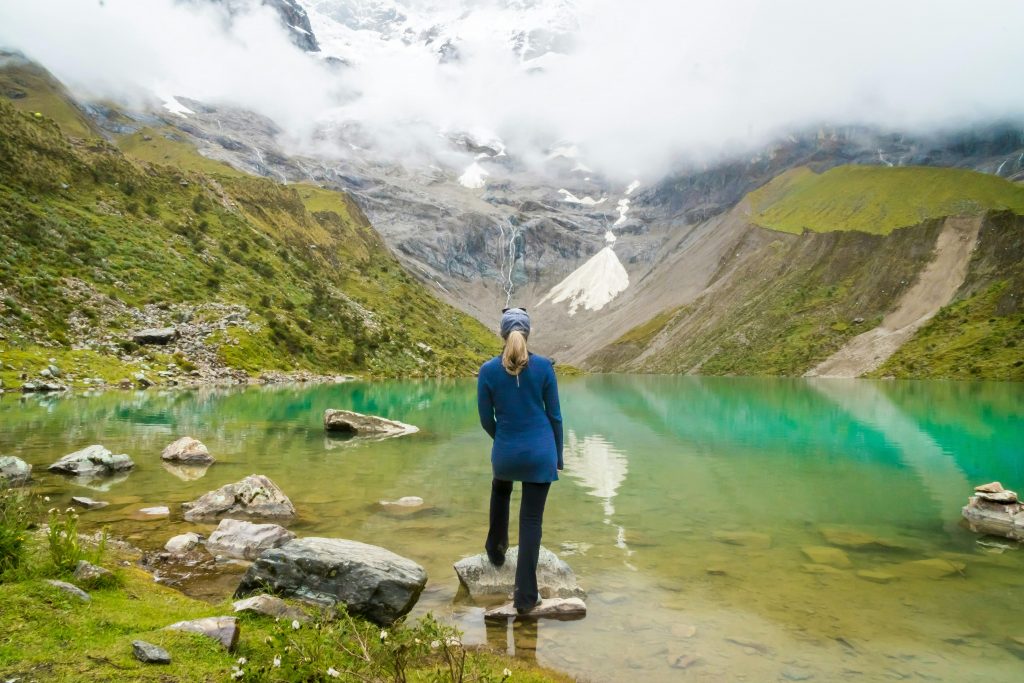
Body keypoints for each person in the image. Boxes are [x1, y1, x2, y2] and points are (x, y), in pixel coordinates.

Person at [476, 307, 563, 614]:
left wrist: (504, 439)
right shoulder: (543, 368)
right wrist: (558, 457)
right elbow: (554, 416)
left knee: (501, 489)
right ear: (528, 333)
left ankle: (496, 549)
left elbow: (487, 419)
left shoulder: (487, 371)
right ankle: (526, 597)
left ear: (502, 334)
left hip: (506, 452)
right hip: (541, 453)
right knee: (531, 521)